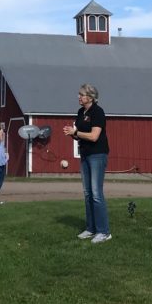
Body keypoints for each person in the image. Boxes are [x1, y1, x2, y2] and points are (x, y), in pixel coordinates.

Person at [62, 84, 111, 244]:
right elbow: (80, 136)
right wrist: (72, 134)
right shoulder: (80, 112)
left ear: (90, 97)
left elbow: (94, 136)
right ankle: (91, 228)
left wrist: (76, 132)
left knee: (96, 194)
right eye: (79, 94)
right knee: (88, 193)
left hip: (97, 154)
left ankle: (104, 232)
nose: (78, 97)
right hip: (85, 154)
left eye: (81, 95)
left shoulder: (98, 112)